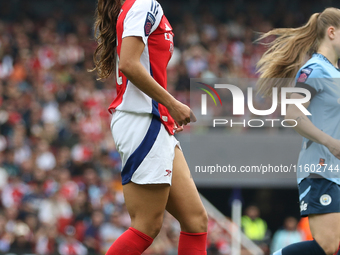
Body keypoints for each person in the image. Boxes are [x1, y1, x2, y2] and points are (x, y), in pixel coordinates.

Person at [91, 0, 208, 254]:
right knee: (146, 227)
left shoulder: (139, 6)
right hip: (143, 120)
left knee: (195, 221)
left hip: (153, 122)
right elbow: (130, 64)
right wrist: (173, 103)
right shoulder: (145, 4)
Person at [257, 7, 340, 255]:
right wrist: (330, 142)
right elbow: (292, 114)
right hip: (321, 168)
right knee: (328, 245)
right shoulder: (315, 69)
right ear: (332, 32)